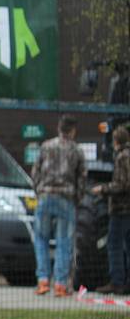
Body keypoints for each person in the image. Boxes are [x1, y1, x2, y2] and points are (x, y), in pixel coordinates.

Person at [30, 114, 87, 297]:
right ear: (72, 130)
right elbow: (82, 177)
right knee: (64, 242)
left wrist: (39, 191)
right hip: (66, 198)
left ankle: (43, 281)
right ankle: (61, 284)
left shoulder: (46, 146)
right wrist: (77, 198)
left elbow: (35, 171)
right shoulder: (76, 150)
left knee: (41, 239)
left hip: (45, 196)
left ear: (59, 128)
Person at [92, 126, 130, 294]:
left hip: (121, 209)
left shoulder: (122, 157)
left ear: (115, 141)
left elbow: (122, 184)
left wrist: (103, 189)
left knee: (114, 244)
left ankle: (117, 282)